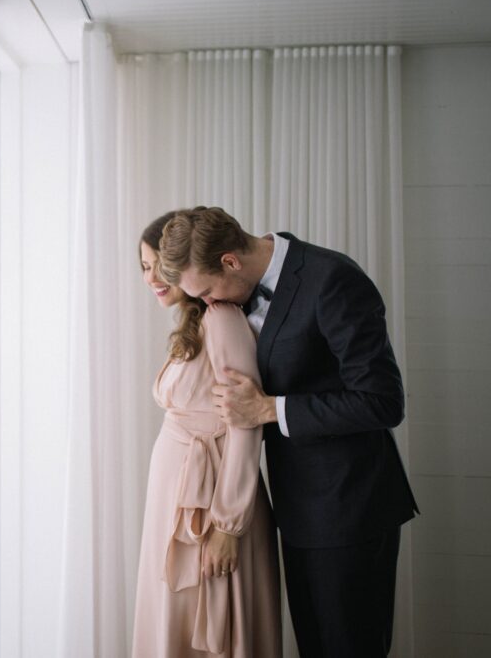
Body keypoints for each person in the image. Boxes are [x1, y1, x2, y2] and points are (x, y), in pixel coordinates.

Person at [158, 206, 418, 658]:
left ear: (230, 262)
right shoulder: (233, 299)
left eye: (204, 291)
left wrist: (268, 409)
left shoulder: (332, 279)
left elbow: (383, 401)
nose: (205, 304)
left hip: (350, 507)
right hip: (296, 509)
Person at [132, 212, 281, 658]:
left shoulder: (222, 320)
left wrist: (226, 526)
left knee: (209, 620)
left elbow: (244, 424)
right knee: (169, 621)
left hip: (213, 502)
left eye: (160, 265)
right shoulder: (192, 327)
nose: (153, 277)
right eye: (144, 266)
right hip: (175, 499)